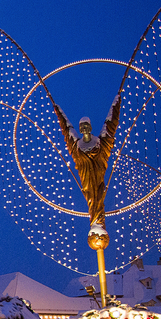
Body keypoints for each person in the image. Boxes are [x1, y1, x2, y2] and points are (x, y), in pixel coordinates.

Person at [53, 96, 121, 227]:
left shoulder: (100, 144)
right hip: (86, 181)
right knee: (91, 200)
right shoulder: (76, 147)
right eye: (81, 127)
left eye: (86, 126)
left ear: (90, 127)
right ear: (79, 129)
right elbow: (66, 129)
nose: (84, 129)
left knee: (99, 198)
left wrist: (117, 101)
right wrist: (57, 109)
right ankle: (96, 224)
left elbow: (110, 124)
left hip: (98, 178)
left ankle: (98, 225)